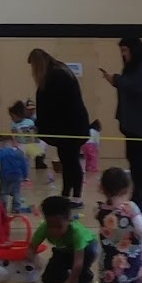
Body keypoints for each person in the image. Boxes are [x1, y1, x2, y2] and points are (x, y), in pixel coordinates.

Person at [101, 38, 142, 214]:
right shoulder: (132, 68)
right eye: (121, 51)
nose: (123, 54)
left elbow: (136, 86)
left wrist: (116, 79)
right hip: (133, 124)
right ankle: (137, 196)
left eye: (126, 50)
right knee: (134, 161)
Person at [29, 49, 90, 207]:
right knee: (67, 160)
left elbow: (53, 106)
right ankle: (66, 193)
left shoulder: (55, 76)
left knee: (71, 161)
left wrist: (41, 125)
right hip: (70, 126)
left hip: (71, 128)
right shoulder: (59, 71)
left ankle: (76, 196)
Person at [28, 195, 98, 283]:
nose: (54, 231)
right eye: (50, 226)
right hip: (65, 250)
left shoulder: (76, 232)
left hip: (86, 248)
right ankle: (71, 275)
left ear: (69, 220)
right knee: (48, 280)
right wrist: (34, 260)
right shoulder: (43, 229)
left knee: (89, 253)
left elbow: (78, 263)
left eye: (58, 226)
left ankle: (84, 274)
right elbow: (31, 248)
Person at [0, 135, 29, 213]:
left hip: (5, 176)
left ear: (2, 143)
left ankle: (3, 208)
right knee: (17, 192)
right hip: (17, 176)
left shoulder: (3, 151)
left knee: (3, 192)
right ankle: (16, 208)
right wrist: (25, 176)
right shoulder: (20, 152)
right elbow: (24, 165)